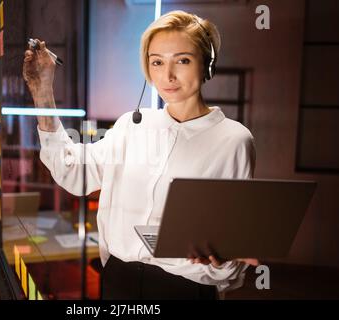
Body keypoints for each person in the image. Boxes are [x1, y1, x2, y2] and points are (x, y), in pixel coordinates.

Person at [23, 10, 258, 300]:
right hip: (118, 282)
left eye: (182, 60)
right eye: (157, 62)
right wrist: (42, 89)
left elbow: (231, 246)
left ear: (207, 64)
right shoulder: (131, 126)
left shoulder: (234, 140)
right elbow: (73, 173)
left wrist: (224, 260)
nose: (167, 75)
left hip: (185, 290)